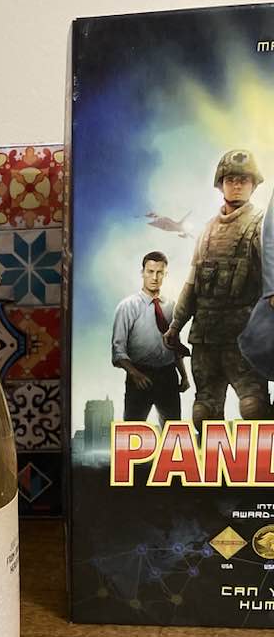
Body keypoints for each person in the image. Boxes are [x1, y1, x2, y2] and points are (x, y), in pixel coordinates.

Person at [164, 150, 270, 432]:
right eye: (231, 179)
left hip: (244, 336)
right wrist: (175, 325)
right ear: (220, 183)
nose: (237, 185)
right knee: (204, 412)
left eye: (244, 180)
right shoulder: (207, 230)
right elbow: (192, 284)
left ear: (254, 184)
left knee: (254, 408)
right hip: (206, 338)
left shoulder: (262, 226)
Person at [112, 251, 190, 425]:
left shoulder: (171, 306)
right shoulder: (128, 307)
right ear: (143, 273)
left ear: (165, 274)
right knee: (133, 431)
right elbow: (118, 351)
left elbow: (174, 345)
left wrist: (184, 375)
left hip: (168, 376)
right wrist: (135, 374)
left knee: (173, 431)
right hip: (139, 375)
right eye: (150, 271)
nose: (155, 277)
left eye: (159, 272)